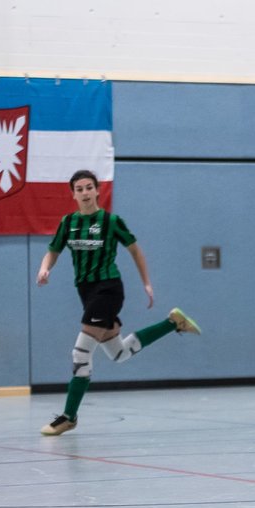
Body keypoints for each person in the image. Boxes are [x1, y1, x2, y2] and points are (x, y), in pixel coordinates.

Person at [36, 169, 201, 436]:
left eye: (89, 187)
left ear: (97, 190)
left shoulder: (111, 221)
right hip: (86, 292)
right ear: (73, 194)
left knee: (80, 354)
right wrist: (45, 269)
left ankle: (69, 416)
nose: (85, 192)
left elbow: (135, 250)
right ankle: (174, 323)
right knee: (118, 353)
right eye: (79, 189)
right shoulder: (68, 223)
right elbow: (53, 251)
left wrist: (147, 282)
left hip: (108, 289)